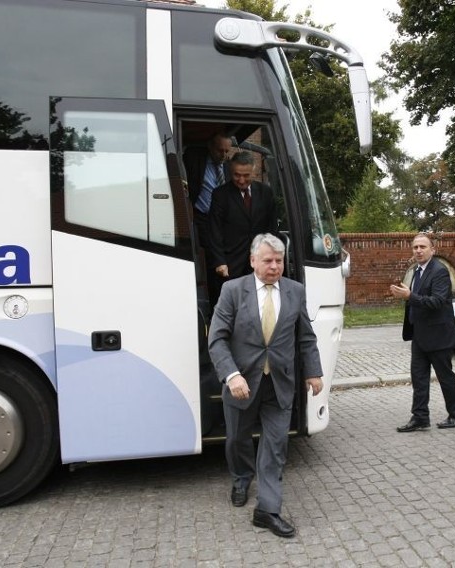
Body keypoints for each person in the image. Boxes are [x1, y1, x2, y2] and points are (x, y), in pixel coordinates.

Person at [208, 233, 323, 538]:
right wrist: (231, 375)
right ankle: (241, 477)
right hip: (241, 382)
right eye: (268, 260)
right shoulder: (233, 290)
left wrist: (314, 372)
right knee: (237, 439)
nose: (274, 266)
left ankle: (267, 510)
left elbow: (306, 337)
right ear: (253, 261)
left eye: (279, 260)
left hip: (280, 384)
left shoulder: (295, 291)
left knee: (275, 447)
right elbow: (217, 338)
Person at [389, 234, 455, 432]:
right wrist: (407, 294)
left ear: (433, 249)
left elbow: (437, 302)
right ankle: (420, 417)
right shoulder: (417, 270)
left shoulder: (439, 271)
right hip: (420, 335)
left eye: (423, 247)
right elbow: (418, 297)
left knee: (445, 377)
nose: (418, 250)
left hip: (439, 336)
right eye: (415, 247)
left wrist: (410, 296)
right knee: (419, 378)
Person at [209, 151, 279, 285]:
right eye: (237, 175)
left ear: (254, 172)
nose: (241, 180)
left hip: (259, 262)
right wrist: (220, 261)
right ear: (230, 172)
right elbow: (214, 230)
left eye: (246, 175)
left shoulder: (266, 192)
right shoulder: (220, 195)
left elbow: (272, 228)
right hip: (231, 264)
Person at [184, 132, 232, 303]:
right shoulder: (194, 159)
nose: (224, 155)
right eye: (220, 151)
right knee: (212, 260)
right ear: (210, 147)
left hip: (222, 220)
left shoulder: (228, 166)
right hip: (202, 217)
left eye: (227, 151)